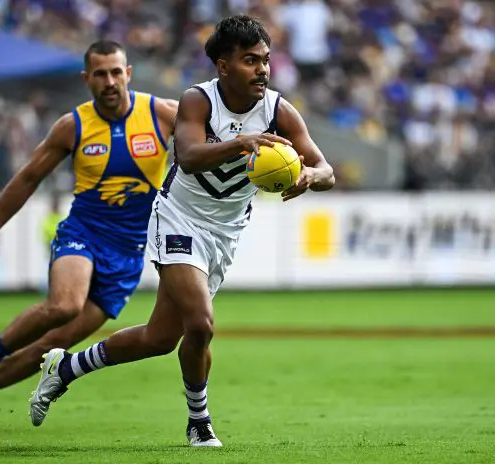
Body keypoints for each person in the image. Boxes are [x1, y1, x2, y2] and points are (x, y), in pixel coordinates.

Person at [29, 15, 335, 447]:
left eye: (265, 60)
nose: (263, 69)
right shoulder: (199, 101)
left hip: (224, 233)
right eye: (250, 61)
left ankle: (65, 369)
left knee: (159, 339)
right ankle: (199, 422)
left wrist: (309, 178)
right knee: (202, 323)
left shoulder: (278, 110)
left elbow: (327, 169)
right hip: (178, 218)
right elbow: (189, 156)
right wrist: (242, 143)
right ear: (223, 66)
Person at [0, 40, 179, 431]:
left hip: (129, 253)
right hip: (82, 233)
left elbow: (208, 140)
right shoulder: (73, 125)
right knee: (64, 304)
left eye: (116, 72)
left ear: (128, 73)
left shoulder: (163, 114)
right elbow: (27, 178)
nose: (110, 81)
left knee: (49, 350)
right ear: (87, 79)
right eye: (100, 74)